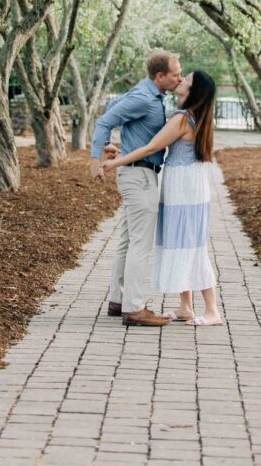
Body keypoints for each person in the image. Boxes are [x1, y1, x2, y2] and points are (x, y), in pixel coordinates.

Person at [104, 70, 222, 326]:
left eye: (185, 79)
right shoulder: (193, 118)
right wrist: (121, 151)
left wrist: (114, 164)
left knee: (190, 245)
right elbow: (152, 144)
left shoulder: (182, 120)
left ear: (193, 92)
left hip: (184, 189)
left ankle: (212, 310)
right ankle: (185, 307)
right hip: (188, 185)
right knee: (181, 242)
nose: (179, 81)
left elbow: (152, 147)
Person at [90, 49, 183, 327]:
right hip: (140, 176)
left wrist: (108, 144)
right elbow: (105, 120)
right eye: (175, 74)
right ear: (160, 76)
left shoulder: (146, 94)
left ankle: (118, 300)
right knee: (140, 245)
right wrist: (96, 158)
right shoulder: (144, 98)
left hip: (137, 175)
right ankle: (134, 308)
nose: (179, 78)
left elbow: (112, 112)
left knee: (128, 241)